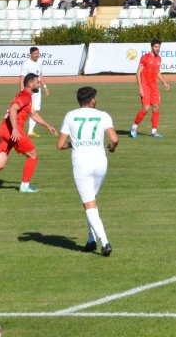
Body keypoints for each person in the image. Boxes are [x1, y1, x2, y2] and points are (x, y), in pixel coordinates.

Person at [0, 73, 58, 193]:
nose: (39, 85)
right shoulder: (26, 95)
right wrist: (15, 129)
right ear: (30, 84)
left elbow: (32, 113)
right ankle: (25, 186)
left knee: (0, 164)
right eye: (38, 83)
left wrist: (47, 125)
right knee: (33, 156)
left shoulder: (24, 95)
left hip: (2, 131)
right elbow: (13, 109)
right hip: (14, 132)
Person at [57, 86, 119, 255]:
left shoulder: (70, 115)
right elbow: (114, 139)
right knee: (91, 201)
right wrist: (112, 148)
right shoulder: (103, 115)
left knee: (89, 204)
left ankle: (104, 242)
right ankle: (91, 239)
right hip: (100, 162)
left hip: (82, 163)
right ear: (92, 100)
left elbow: (60, 144)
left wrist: (74, 144)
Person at [130, 40, 171, 138]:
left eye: (159, 47)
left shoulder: (159, 59)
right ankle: (134, 127)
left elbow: (157, 72)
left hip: (154, 87)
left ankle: (154, 131)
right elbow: (138, 73)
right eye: (156, 46)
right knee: (146, 108)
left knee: (156, 107)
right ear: (151, 47)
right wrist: (140, 88)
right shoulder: (145, 57)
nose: (157, 48)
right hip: (145, 86)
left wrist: (164, 82)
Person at [21, 47, 51, 137]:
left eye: (38, 53)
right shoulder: (26, 64)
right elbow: (22, 77)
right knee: (25, 110)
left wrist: (45, 86)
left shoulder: (39, 62)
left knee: (36, 109)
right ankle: (18, 128)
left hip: (37, 90)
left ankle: (30, 131)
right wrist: (22, 90)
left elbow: (40, 76)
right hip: (28, 90)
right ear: (31, 54)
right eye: (35, 53)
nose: (37, 55)